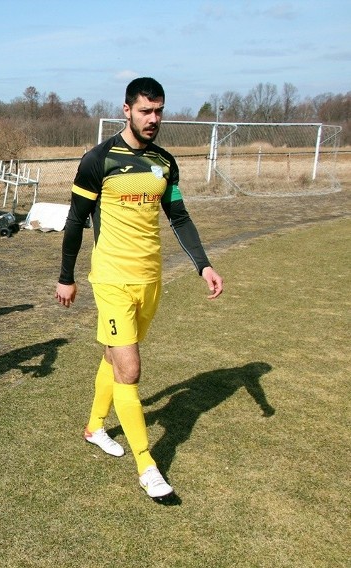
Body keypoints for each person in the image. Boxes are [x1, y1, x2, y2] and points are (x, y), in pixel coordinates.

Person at [55, 77, 224, 501]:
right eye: (146, 111)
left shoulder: (166, 163)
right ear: (126, 110)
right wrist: (66, 275)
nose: (153, 119)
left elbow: (179, 217)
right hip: (111, 278)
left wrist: (203, 265)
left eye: (159, 111)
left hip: (151, 280)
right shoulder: (98, 160)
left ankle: (95, 426)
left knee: (113, 355)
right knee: (129, 369)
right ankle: (147, 465)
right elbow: (76, 220)